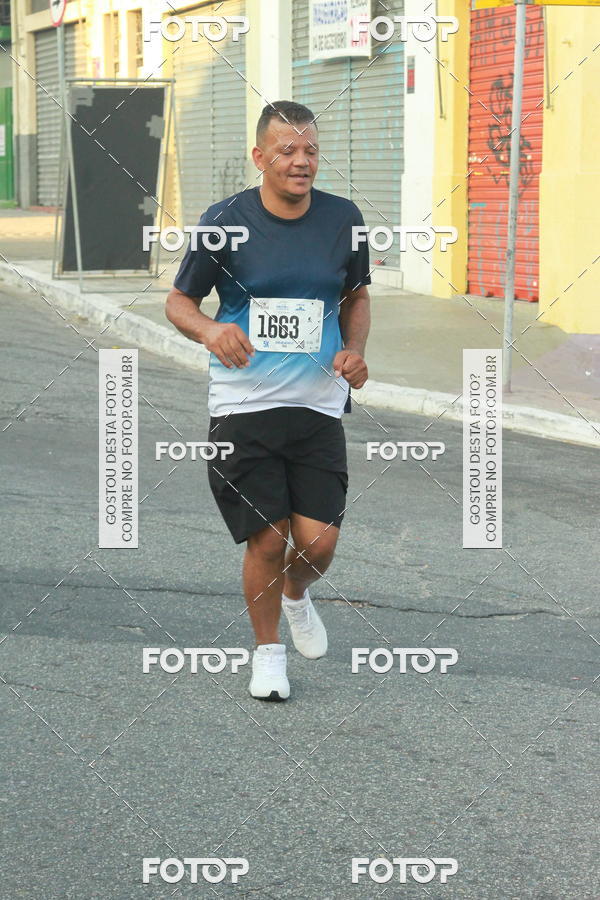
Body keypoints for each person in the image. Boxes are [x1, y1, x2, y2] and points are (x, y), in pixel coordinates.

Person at [165, 101, 371, 701]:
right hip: (243, 407)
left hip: (317, 407)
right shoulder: (224, 220)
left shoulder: (343, 218)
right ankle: (268, 654)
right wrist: (209, 330)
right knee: (268, 538)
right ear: (260, 157)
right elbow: (179, 301)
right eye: (286, 150)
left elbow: (356, 295)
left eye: (309, 149)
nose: (300, 161)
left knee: (318, 544)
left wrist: (354, 352)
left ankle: (297, 593)